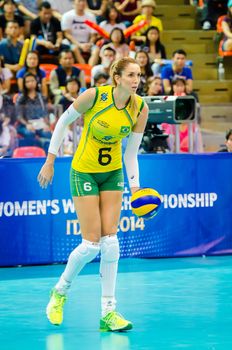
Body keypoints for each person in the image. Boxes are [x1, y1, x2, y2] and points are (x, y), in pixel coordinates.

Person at [37, 57, 148, 331]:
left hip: (112, 173)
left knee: (111, 242)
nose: (136, 80)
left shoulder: (140, 108)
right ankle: (60, 292)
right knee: (91, 244)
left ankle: (108, 312)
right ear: (117, 76)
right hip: (83, 171)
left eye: (139, 75)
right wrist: (50, 160)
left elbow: (131, 153)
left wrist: (135, 188)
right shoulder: (94, 96)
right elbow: (62, 123)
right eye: (131, 75)